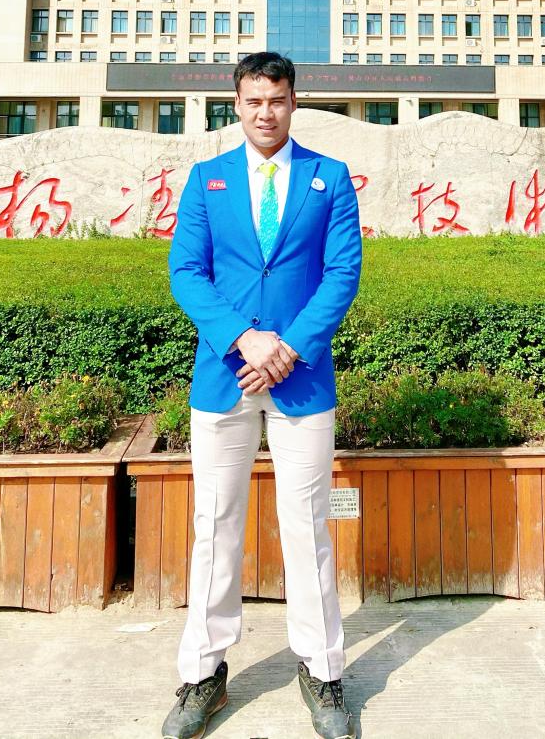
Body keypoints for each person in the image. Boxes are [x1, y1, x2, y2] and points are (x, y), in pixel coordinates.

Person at [162, 51, 362, 739]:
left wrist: (288, 348)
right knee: (215, 524)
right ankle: (203, 673)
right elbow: (186, 272)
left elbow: (341, 274)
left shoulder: (329, 177)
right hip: (226, 376)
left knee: (307, 526)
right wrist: (245, 340)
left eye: (276, 99)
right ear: (237, 104)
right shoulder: (207, 179)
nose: (265, 112)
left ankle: (323, 670)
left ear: (293, 101)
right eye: (253, 100)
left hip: (302, 378)